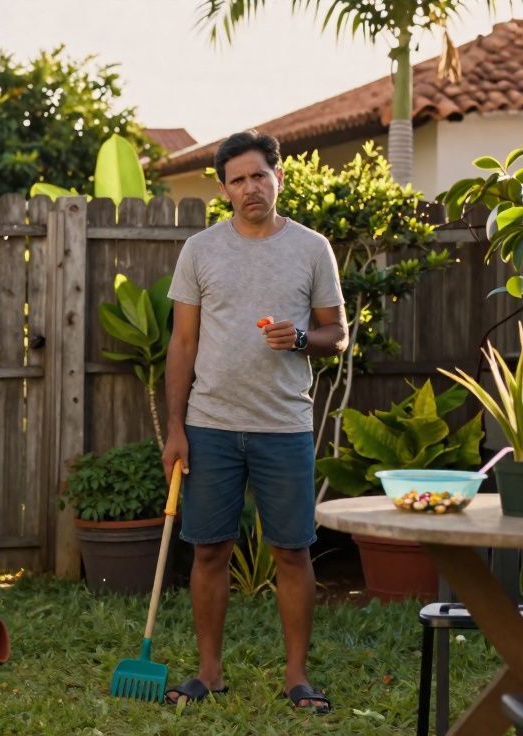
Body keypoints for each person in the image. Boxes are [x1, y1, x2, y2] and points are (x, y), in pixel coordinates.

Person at [160, 130, 347, 714]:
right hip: (211, 425)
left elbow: (336, 336)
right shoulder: (200, 250)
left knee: (292, 552)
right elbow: (182, 344)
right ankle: (209, 673)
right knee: (209, 550)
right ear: (223, 189)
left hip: (283, 426)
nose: (249, 188)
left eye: (258, 176)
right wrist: (175, 428)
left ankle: (297, 677)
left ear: (279, 177)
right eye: (237, 180)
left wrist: (299, 339)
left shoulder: (312, 249)